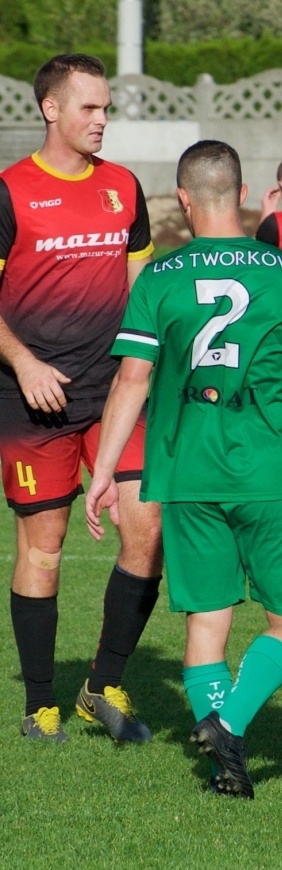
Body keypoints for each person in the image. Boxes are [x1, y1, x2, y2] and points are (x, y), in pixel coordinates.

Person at [84, 139, 282, 798]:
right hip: (266, 471)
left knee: (207, 622)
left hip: (184, 471)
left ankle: (220, 760)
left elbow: (132, 379)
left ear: (183, 200)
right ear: (245, 193)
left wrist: (104, 473)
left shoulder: (160, 279)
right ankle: (228, 726)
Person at [0, 53, 163, 743]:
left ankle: (104, 684)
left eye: (106, 108)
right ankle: (42, 703)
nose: (102, 120)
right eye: (89, 108)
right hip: (30, 402)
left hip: (116, 396)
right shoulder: (9, 192)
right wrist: (24, 360)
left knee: (147, 530)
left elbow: (142, 289)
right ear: (51, 110)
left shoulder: (123, 188)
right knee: (45, 545)